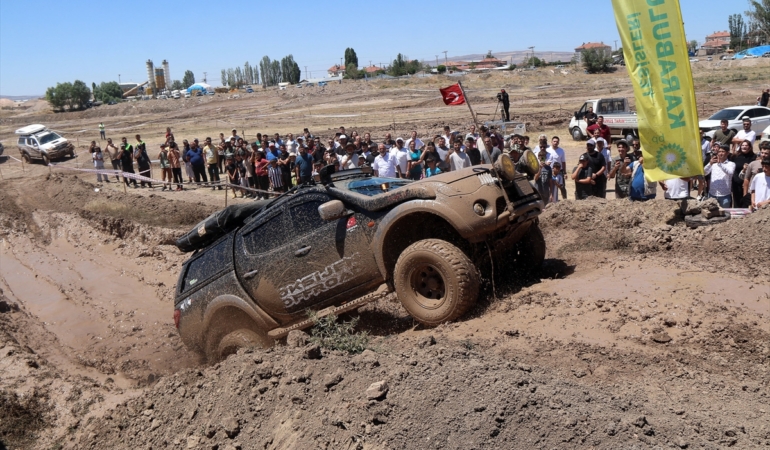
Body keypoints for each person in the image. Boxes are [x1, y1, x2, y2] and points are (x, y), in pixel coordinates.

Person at [732, 140, 757, 207]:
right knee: (737, 201)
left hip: (748, 183)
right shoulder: (735, 156)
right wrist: (737, 180)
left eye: (746, 145)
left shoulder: (754, 157)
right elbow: (733, 169)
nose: (744, 147)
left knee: (746, 200)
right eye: (742, 145)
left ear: (749, 147)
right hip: (736, 182)